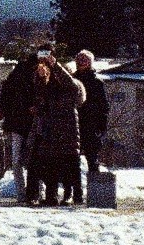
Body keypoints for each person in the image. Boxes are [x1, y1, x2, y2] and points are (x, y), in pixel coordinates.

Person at [31, 50, 86, 206]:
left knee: (70, 165)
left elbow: (70, 85)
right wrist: (41, 75)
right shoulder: (49, 87)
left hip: (67, 129)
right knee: (50, 164)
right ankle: (51, 195)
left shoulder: (72, 87)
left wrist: (55, 65)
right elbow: (41, 97)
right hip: (51, 129)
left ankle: (73, 195)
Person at [0, 50, 40, 199]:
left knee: (19, 161)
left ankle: (25, 193)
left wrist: (2, 110)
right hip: (27, 122)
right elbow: (6, 92)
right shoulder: (25, 73)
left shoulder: (17, 73)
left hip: (20, 122)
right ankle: (30, 193)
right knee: (30, 161)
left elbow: (5, 93)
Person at [72, 50, 108, 191]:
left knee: (92, 161)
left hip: (91, 126)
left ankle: (96, 192)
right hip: (74, 124)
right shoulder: (72, 79)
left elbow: (104, 106)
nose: (80, 62)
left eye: (84, 59)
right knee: (72, 162)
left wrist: (101, 127)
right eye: (78, 59)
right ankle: (76, 193)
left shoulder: (97, 82)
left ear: (90, 62)